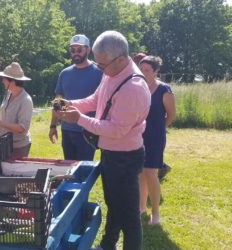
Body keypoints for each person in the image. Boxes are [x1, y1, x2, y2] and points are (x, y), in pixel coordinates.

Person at [53, 31, 151, 250]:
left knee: (129, 217)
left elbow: (115, 130)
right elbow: (96, 100)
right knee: (113, 205)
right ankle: (108, 245)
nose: (100, 69)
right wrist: (71, 104)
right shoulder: (111, 72)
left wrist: (79, 119)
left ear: (122, 59)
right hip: (111, 154)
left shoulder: (133, 88)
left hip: (125, 158)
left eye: (102, 65)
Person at [49, 34, 102, 161]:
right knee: (69, 169)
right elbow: (58, 102)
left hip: (88, 131)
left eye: (79, 50)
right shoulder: (65, 73)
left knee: (84, 170)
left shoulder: (100, 72)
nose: (75, 53)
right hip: (67, 130)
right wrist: (52, 126)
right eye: (73, 50)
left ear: (88, 50)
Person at [138, 55, 176, 225]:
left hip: (155, 138)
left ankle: (155, 214)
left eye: (147, 70)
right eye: (141, 69)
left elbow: (171, 115)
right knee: (140, 173)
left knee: (151, 173)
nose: (143, 72)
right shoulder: (138, 87)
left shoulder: (164, 90)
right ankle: (141, 208)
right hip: (138, 136)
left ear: (155, 71)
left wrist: (159, 128)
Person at [0, 62, 33, 159]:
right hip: (3, 143)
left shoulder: (25, 100)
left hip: (18, 147)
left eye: (4, 79)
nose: (2, 81)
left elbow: (22, 129)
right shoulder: (8, 94)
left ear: (12, 81)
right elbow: (4, 115)